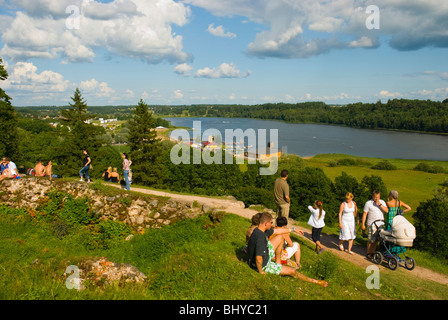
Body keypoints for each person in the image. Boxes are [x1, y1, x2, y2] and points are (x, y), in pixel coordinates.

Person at [247, 212, 328, 287]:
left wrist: (293, 230)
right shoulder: (261, 237)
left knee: (280, 236)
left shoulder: (258, 230)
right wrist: (261, 271)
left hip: (258, 256)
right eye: (271, 222)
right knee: (292, 271)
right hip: (263, 265)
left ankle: (278, 262)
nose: (272, 224)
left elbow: (278, 231)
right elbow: (259, 258)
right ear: (266, 223)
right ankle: (315, 281)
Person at [361, 190, 388, 259]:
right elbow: (365, 214)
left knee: (376, 239)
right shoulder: (368, 203)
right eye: (375, 197)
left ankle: (373, 252)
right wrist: (363, 224)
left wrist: (379, 204)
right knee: (371, 239)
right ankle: (369, 252)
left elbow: (387, 210)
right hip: (371, 223)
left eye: (378, 197)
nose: (376, 198)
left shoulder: (382, 202)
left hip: (380, 224)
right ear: (373, 196)